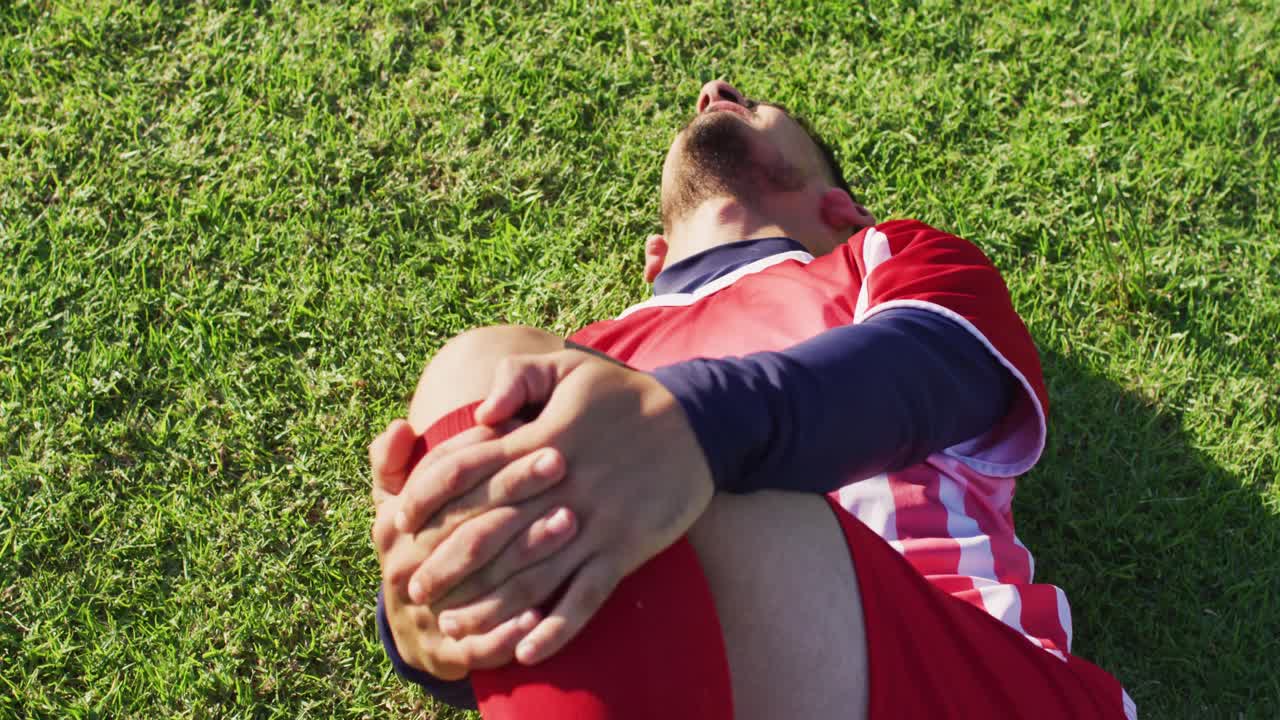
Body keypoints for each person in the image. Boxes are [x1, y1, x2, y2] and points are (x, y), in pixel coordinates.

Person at [368, 79, 1137, 720]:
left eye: (758, 104)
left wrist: (693, 426)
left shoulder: (884, 255)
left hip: (958, 670)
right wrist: (432, 624)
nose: (716, 90)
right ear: (654, 257)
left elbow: (939, 369)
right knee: (485, 378)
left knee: (503, 388)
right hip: (705, 689)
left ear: (842, 209)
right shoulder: (584, 362)